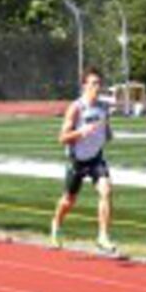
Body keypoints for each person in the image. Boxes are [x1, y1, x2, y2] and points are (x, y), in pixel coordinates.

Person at [51, 67, 116, 252]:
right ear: (84, 85)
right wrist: (81, 132)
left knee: (106, 190)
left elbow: (105, 127)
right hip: (77, 161)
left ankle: (103, 236)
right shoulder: (76, 108)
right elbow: (62, 138)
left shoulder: (103, 107)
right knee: (68, 201)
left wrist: (108, 134)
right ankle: (56, 223)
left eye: (99, 83)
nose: (97, 87)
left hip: (96, 158)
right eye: (93, 83)